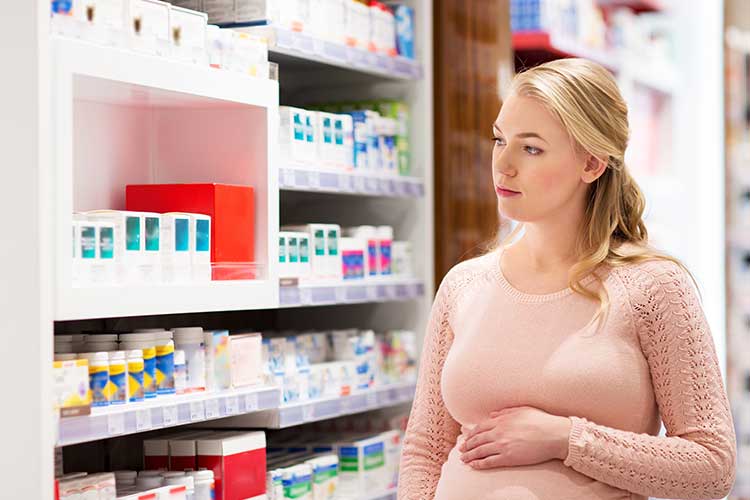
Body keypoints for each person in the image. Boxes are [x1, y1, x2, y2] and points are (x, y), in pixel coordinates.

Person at [397, 58, 737, 500]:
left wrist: (566, 438)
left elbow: (711, 467)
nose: (504, 165)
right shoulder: (465, 284)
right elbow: (425, 449)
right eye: (500, 140)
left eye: (531, 148)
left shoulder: (652, 287)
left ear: (592, 164)